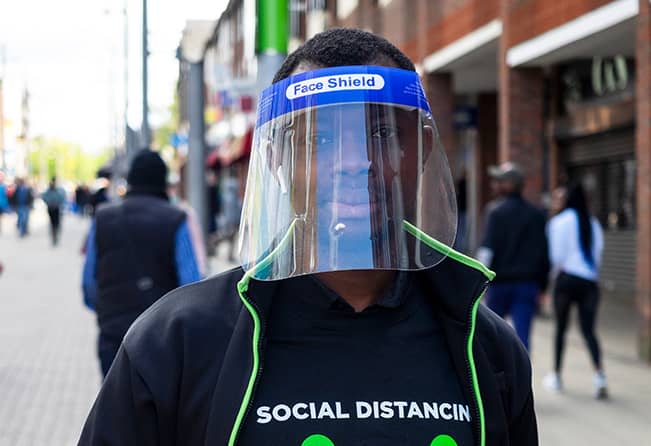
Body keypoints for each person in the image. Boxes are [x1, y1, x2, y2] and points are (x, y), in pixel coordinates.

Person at [78, 29, 537, 446]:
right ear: (277, 159)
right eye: (320, 140)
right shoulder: (177, 342)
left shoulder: (487, 347)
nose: (355, 162)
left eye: (380, 132)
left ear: (419, 149)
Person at [81, 149, 202, 378]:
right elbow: (192, 286)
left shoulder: (103, 218)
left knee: (115, 410)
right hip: (163, 340)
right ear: (162, 181)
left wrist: (108, 311)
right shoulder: (176, 219)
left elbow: (88, 283)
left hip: (113, 336)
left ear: (132, 179)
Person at [543, 183, 607, 399]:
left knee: (561, 329)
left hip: (566, 280)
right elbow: (597, 256)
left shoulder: (559, 223)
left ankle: (557, 375)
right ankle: (600, 376)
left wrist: (550, 283)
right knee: (589, 331)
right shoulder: (593, 223)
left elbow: (555, 257)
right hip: (589, 282)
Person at [477, 162, 550, 350]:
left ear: (508, 185)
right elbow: (543, 253)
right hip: (527, 285)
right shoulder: (536, 214)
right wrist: (543, 286)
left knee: (491, 335)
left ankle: (494, 378)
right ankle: (522, 376)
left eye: (499, 181)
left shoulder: (494, 212)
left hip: (499, 283)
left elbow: (487, 250)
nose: (495, 185)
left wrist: (479, 281)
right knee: (522, 338)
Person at [41, 177, 67, 246]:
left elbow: (62, 198)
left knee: (56, 224)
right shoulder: (49, 191)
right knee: (53, 224)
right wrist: (49, 203)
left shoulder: (58, 191)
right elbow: (44, 197)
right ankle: (54, 236)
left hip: (56, 209)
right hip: (51, 209)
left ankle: (55, 235)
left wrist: (57, 203)